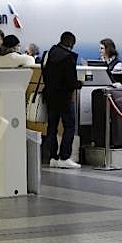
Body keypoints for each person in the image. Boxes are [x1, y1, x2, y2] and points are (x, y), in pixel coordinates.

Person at [42, 31, 82, 169]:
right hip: (64, 98)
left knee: (51, 127)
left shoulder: (49, 53)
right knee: (69, 126)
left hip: (50, 95)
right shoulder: (68, 58)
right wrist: (79, 84)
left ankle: (53, 157)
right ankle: (64, 157)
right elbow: (71, 82)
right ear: (72, 43)